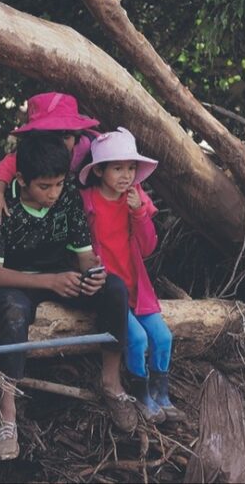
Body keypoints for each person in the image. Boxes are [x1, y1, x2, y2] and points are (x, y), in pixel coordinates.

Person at [0, 133, 138, 461]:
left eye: (59, 184)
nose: (54, 194)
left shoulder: (68, 199)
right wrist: (49, 282)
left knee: (115, 289)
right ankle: (6, 413)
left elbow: (84, 256)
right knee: (14, 312)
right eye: (44, 187)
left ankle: (112, 383)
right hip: (12, 281)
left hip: (57, 274)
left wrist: (94, 276)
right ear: (21, 180)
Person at [79, 127, 185, 424]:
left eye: (130, 168)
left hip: (137, 288)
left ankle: (160, 393)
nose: (126, 175)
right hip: (109, 291)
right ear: (99, 170)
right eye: (117, 168)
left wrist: (139, 213)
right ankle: (142, 396)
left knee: (162, 337)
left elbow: (149, 247)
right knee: (137, 338)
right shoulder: (87, 201)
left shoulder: (135, 198)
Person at [0, 92, 100, 225]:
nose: (60, 143)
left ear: (77, 135)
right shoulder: (31, 155)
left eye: (66, 137)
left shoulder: (87, 146)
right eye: (52, 137)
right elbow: (5, 170)